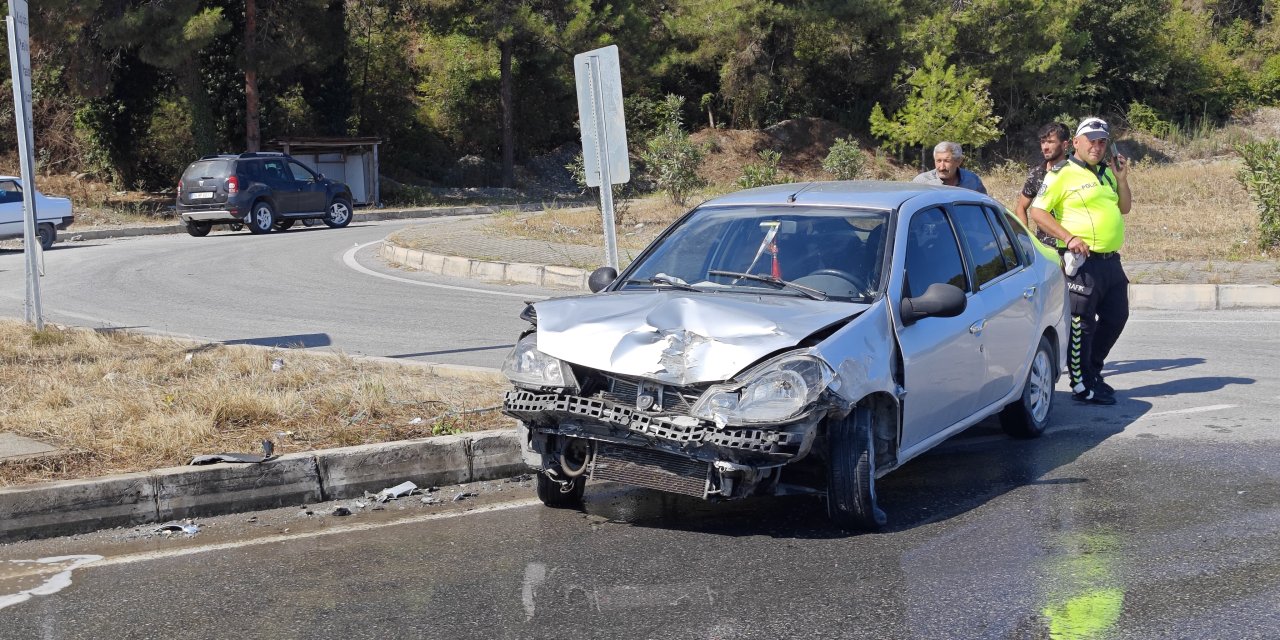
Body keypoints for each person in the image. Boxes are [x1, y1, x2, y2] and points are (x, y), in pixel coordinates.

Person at [1028, 117, 1132, 406]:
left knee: (1117, 317)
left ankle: (1093, 371)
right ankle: (1081, 383)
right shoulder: (1062, 172)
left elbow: (1124, 208)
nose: (1097, 147)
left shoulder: (1107, 173)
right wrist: (1069, 237)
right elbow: (1038, 212)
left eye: (1102, 142)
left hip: (1110, 261)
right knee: (1081, 324)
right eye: (1091, 142)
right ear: (1076, 143)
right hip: (1082, 262)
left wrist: (1122, 180)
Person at [1014, 122, 1071, 228]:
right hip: (1045, 243)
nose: (1045, 147)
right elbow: (1021, 207)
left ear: (1064, 145)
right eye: (1042, 142)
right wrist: (1026, 238)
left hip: (1075, 241)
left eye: (1050, 142)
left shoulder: (1077, 170)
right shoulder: (1036, 174)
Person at [912, 141, 988, 193]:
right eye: (938, 161)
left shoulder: (972, 180)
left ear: (958, 161)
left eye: (947, 161)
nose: (942, 167)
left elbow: (984, 206)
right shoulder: (921, 183)